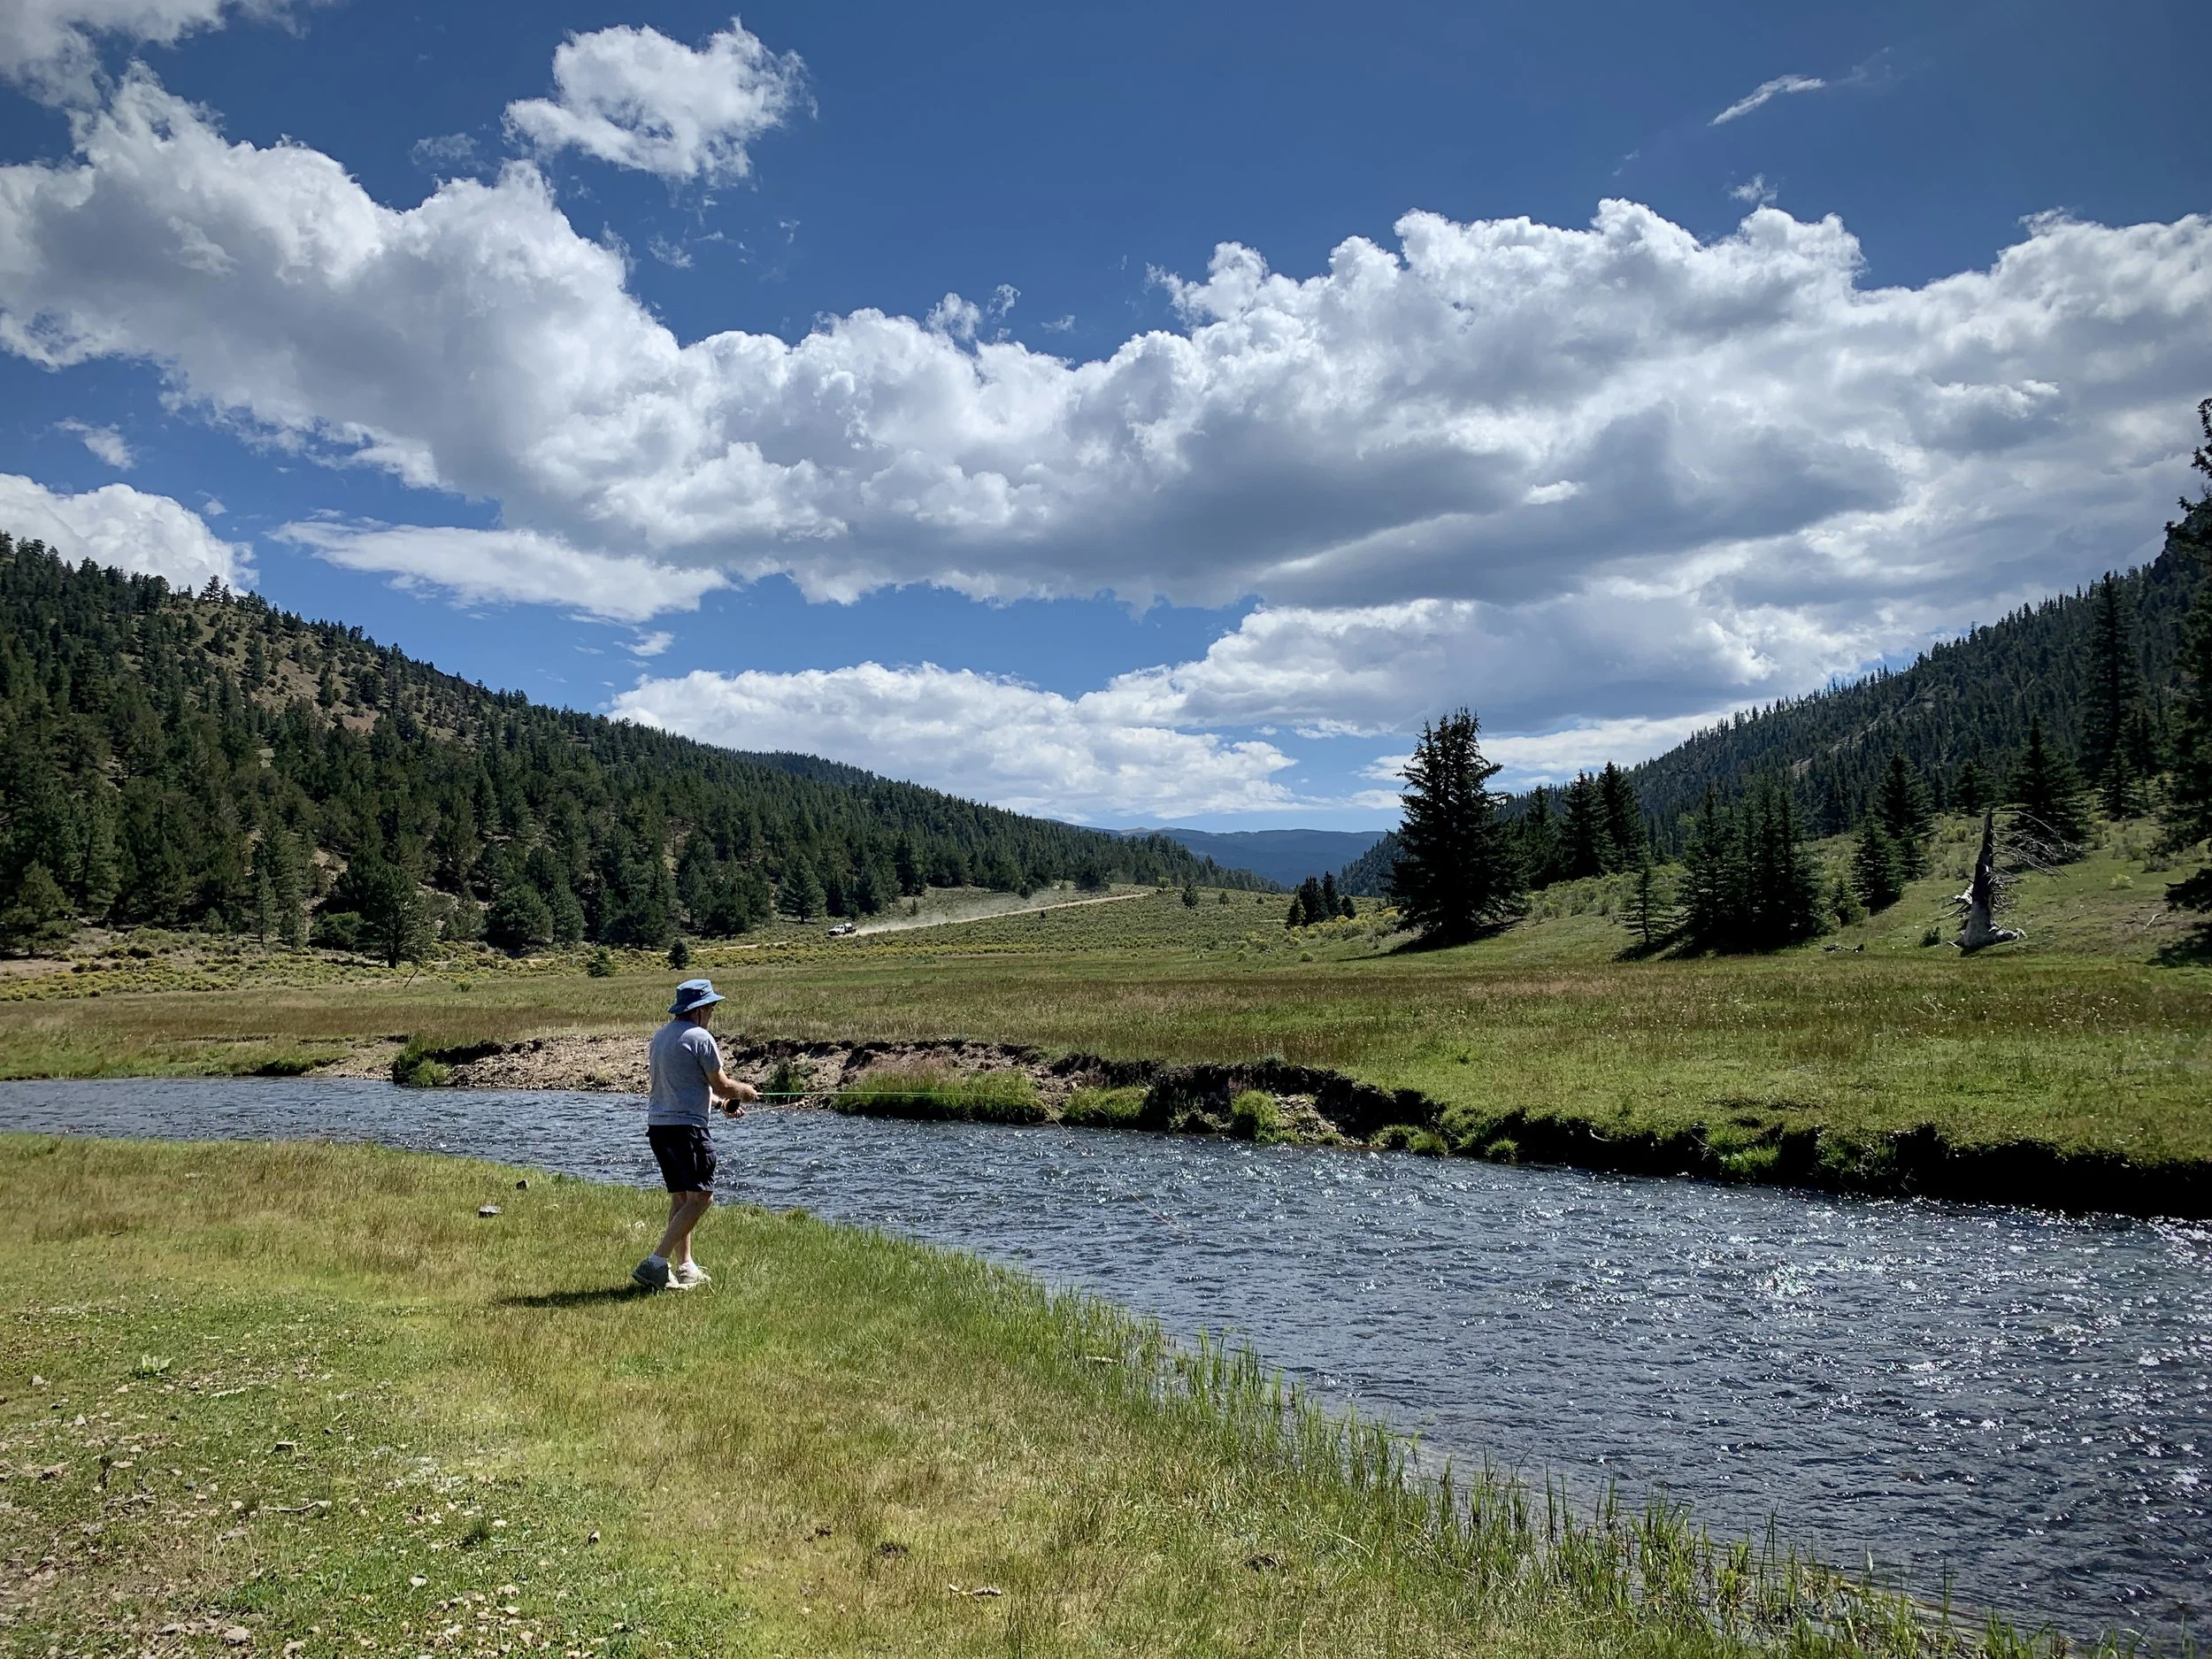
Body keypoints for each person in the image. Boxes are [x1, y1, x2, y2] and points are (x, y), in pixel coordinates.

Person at [634, 978, 757, 1291]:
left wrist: (722, 1104)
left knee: (682, 1196)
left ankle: (685, 1266)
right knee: (702, 1197)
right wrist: (744, 1092)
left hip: (659, 1128)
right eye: (712, 1007)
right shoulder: (701, 1037)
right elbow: (722, 1084)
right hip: (687, 1130)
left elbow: (689, 1087)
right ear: (700, 1009)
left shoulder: (661, 1037)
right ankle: (656, 1263)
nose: (713, 1012)